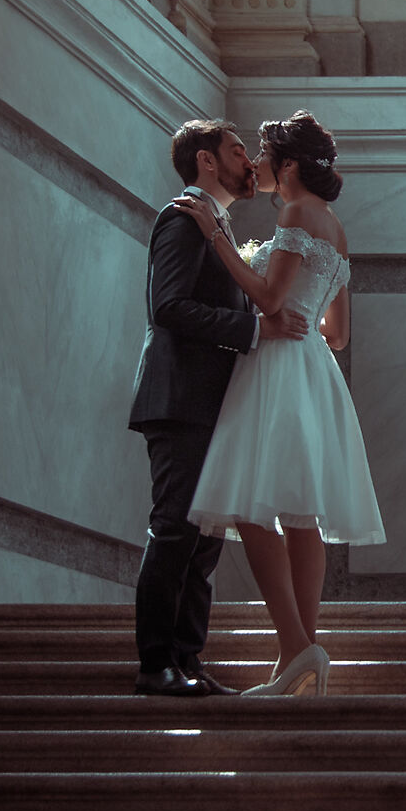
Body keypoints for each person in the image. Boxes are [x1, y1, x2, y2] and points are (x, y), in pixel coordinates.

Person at [170, 112, 382, 696]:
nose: (254, 166)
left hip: (278, 367)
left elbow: (265, 296)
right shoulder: (335, 226)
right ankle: (300, 654)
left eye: (260, 155)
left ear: (286, 165)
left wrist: (217, 238)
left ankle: (296, 644)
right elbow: (337, 333)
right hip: (313, 366)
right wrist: (301, 316)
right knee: (299, 513)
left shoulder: (295, 212)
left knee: (250, 505)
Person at [125, 120, 309, 697]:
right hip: (179, 400)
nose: (249, 163)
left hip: (212, 404)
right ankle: (156, 664)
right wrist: (256, 327)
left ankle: (188, 661)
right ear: (207, 162)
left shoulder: (218, 228)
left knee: (203, 540)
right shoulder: (182, 219)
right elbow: (169, 308)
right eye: (237, 151)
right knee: (176, 528)